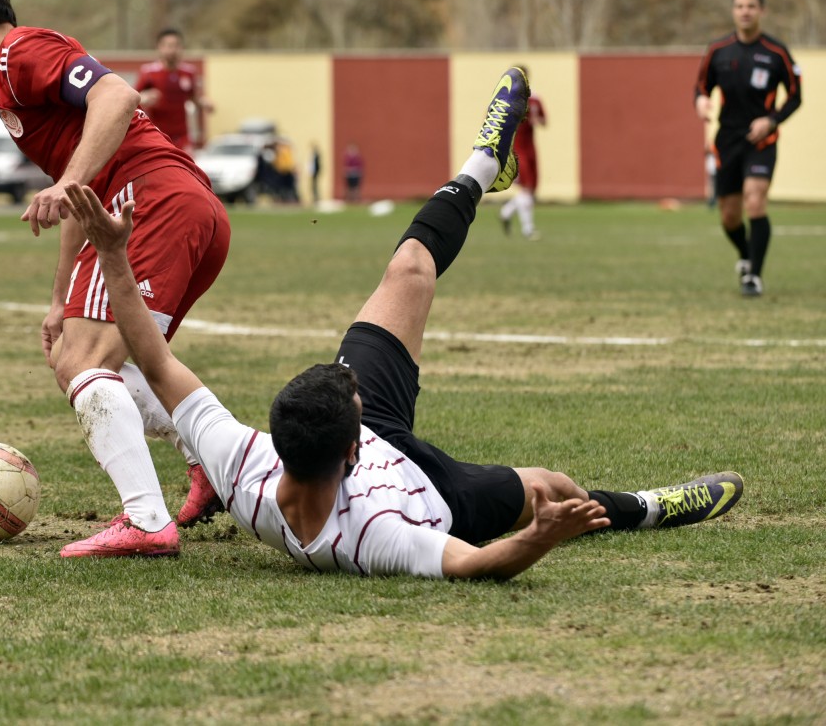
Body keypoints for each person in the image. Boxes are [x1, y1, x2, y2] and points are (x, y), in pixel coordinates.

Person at [64, 67, 744, 580]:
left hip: (344, 449)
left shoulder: (245, 463)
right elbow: (477, 565)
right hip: (433, 488)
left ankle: (484, 166)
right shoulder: (378, 533)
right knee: (551, 490)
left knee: (410, 269)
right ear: (352, 447)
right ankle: (653, 505)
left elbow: (153, 360)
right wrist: (539, 537)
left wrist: (117, 254)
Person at [0, 0, 232, 558]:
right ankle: (213, 463)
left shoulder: (18, 53)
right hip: (165, 208)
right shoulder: (2, 85)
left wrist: (64, 183)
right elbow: (81, 187)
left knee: (85, 361)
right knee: (97, 360)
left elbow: (116, 95)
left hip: (153, 202)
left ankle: (147, 520)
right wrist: (58, 299)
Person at [694, 0, 802, 298]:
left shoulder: (776, 52)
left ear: (761, 11)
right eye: (740, 6)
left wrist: (772, 121)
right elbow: (701, 87)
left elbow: (796, 96)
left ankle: (754, 276)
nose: (745, 11)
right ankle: (745, 254)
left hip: (761, 141)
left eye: (751, 6)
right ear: (733, 11)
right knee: (729, 215)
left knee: (755, 199)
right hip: (727, 139)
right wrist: (701, 102)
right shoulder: (718, 51)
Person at [134, 28, 212, 151]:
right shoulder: (149, 72)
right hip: (156, 133)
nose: (172, 50)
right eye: (168, 46)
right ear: (160, 47)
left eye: (176, 46)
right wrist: (146, 97)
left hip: (182, 135)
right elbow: (134, 98)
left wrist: (204, 103)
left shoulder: (188, 72)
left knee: (187, 167)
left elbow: (194, 98)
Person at [499, 65, 546, 240]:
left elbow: (543, 120)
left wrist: (536, 120)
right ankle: (528, 229)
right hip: (517, 149)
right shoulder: (509, 98)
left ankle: (506, 211)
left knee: (531, 190)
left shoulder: (534, 99)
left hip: (531, 148)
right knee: (526, 189)